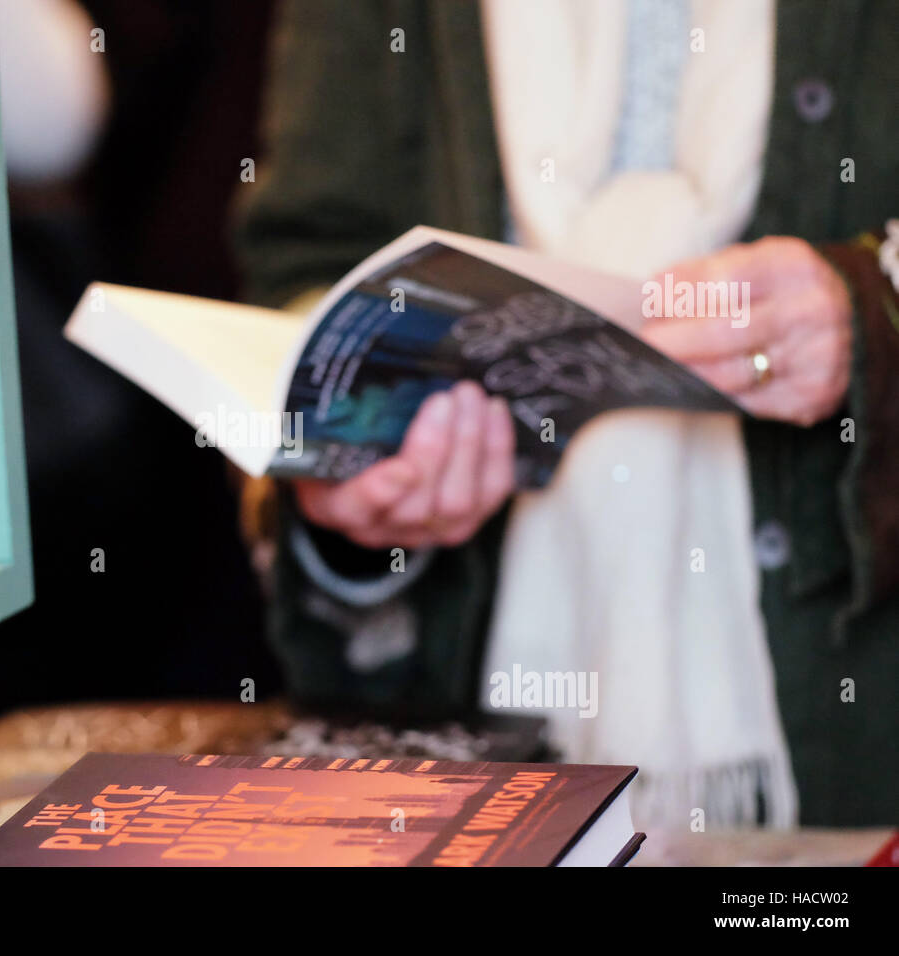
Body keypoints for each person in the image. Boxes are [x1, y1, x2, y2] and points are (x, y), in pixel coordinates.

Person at [235, 0, 899, 828]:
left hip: (859, 716)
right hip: (469, 718)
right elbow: (310, 258)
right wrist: (346, 473)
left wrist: (878, 308)